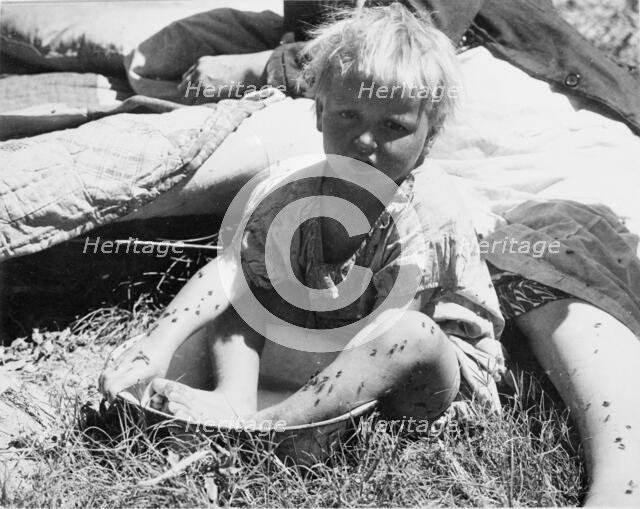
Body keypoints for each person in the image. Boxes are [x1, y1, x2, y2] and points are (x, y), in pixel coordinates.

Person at [100, 3, 507, 433]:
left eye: (393, 126)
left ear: (429, 139)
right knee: (250, 286)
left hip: (422, 379)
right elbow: (228, 273)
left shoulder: (426, 207)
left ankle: (272, 425)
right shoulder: (299, 190)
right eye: (349, 115)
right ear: (319, 112)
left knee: (410, 333)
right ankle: (233, 400)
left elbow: (385, 337)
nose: (366, 140)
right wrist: (158, 344)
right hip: (330, 347)